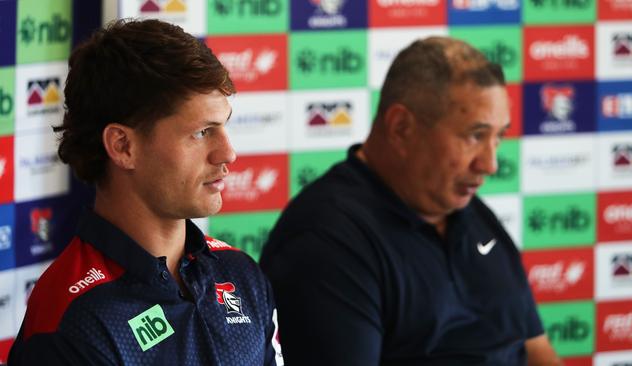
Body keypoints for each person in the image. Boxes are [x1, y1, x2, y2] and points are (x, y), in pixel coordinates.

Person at [260, 36, 560, 365]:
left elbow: (536, 349)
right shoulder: (325, 237)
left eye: (498, 137)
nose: (490, 164)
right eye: (475, 136)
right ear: (401, 127)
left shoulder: (470, 212)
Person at [9, 19, 282, 366]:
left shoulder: (240, 274)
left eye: (224, 126)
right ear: (123, 146)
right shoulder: (75, 320)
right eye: (201, 132)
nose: (227, 153)